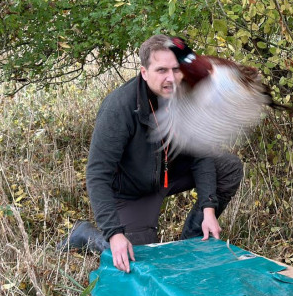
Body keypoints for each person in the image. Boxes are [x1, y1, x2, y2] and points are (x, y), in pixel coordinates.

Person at [62, 34, 244, 273]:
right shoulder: (119, 107)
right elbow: (97, 174)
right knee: (138, 261)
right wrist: (115, 234)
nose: (171, 78)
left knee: (229, 166)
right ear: (144, 72)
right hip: (131, 192)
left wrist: (208, 207)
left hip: (169, 174)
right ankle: (86, 235)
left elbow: (201, 155)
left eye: (176, 69)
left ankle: (191, 241)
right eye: (161, 70)